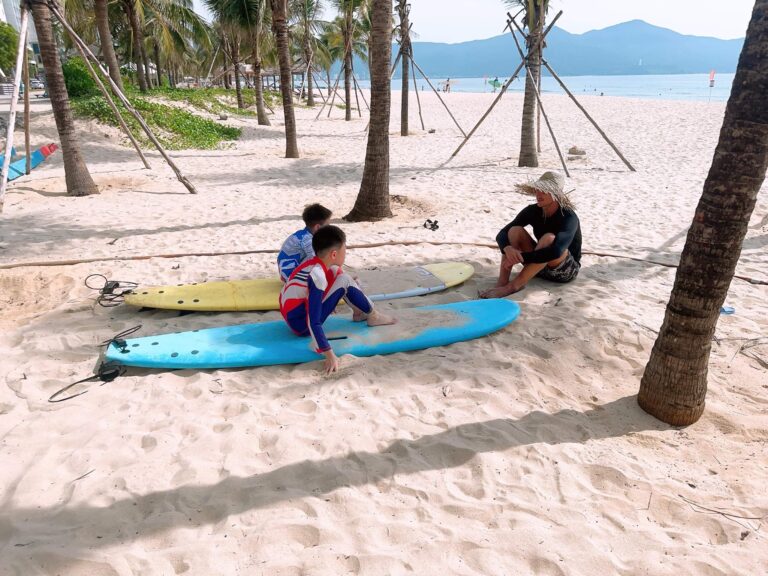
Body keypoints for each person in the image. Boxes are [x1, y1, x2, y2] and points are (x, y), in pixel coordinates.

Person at [279, 225, 396, 374]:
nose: (345, 254)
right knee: (345, 280)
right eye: (344, 250)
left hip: (292, 315)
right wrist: (329, 354)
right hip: (301, 326)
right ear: (334, 254)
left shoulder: (311, 265)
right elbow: (312, 321)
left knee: (337, 273)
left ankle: (358, 312)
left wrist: (323, 299)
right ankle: (373, 316)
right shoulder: (318, 276)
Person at [480, 171, 581, 298]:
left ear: (556, 194)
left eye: (544, 190)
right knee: (514, 230)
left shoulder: (568, 216)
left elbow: (556, 251)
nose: (538, 194)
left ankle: (513, 286)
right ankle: (502, 282)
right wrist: (508, 248)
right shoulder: (532, 210)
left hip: (564, 271)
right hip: (537, 267)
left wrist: (521, 257)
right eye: (537, 190)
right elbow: (502, 233)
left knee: (548, 239)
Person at [277, 203, 332, 282]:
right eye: (328, 225)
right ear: (317, 227)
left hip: (287, 273)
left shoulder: (303, 234)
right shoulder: (307, 240)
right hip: (291, 278)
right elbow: (319, 260)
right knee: (321, 259)